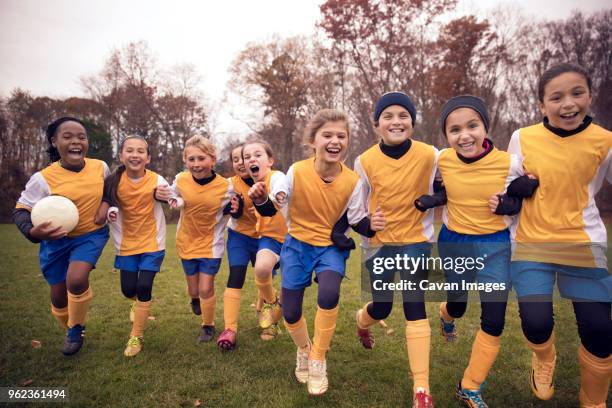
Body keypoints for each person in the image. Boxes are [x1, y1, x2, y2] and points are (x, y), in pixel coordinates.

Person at [250, 109, 383, 396]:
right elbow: (274, 203)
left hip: (330, 248)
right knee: (292, 311)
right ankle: (304, 349)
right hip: (297, 246)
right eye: (327, 135)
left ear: (347, 141)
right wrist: (261, 200)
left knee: (329, 294)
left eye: (341, 135)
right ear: (313, 140)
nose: (335, 141)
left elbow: (358, 218)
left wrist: (373, 226)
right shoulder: (296, 171)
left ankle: (319, 357)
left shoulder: (353, 181)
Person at [506, 63, 611, 407]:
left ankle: (593, 403)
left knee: (599, 331)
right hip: (531, 242)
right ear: (542, 105)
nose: (568, 104)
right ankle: (544, 358)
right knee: (536, 324)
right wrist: (516, 190)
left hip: (582, 242)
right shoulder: (523, 137)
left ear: (589, 95)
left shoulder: (605, 141)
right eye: (557, 97)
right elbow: (506, 189)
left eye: (577, 93)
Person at [416, 95, 529, 407]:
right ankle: (446, 314)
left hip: (495, 245)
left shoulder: (510, 162)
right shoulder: (442, 160)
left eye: (472, 126)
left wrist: (507, 204)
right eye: (454, 130)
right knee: (459, 303)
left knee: (493, 319)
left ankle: (470, 385)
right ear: (446, 135)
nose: (464, 135)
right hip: (455, 243)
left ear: (485, 127)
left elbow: (527, 192)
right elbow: (438, 189)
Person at [352, 92, 438, 408]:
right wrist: (367, 223)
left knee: (415, 305)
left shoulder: (432, 155)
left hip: (417, 240)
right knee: (383, 306)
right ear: (377, 124)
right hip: (380, 245)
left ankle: (422, 388)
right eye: (387, 116)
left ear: (412, 122)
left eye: (403, 115)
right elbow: (355, 211)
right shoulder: (364, 161)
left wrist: (435, 199)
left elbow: (451, 184)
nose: (396, 121)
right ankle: (362, 321)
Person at [13, 116, 110, 356]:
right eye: (68, 137)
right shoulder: (43, 178)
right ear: (54, 142)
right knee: (58, 297)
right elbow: (21, 209)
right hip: (55, 242)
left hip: (91, 234)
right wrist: (33, 232)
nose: (76, 141)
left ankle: (75, 330)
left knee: (75, 280)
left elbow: (111, 191)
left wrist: (106, 204)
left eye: (81, 136)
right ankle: (72, 325)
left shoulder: (100, 167)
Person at [156, 135, 240, 343]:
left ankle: (208, 325)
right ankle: (194, 299)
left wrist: (237, 209)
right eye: (191, 159)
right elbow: (169, 194)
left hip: (212, 244)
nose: (196, 164)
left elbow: (239, 206)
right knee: (194, 290)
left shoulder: (226, 186)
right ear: (185, 161)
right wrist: (163, 195)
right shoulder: (181, 179)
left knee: (205, 288)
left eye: (201, 158)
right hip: (186, 241)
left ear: (212, 159)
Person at [102, 135, 169, 357]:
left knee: (144, 287)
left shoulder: (158, 179)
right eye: (129, 150)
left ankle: (136, 336)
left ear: (148, 158)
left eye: (141, 151)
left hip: (153, 243)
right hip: (126, 244)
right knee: (128, 290)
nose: (135, 155)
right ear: (121, 155)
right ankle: (138, 304)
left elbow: (173, 198)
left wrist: (164, 197)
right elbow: (106, 205)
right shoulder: (112, 181)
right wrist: (109, 212)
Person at [216, 143, 268, 350]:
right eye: (235, 159)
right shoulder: (230, 184)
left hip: (265, 237)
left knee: (263, 279)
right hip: (239, 236)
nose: (240, 163)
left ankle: (268, 319)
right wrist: (232, 209)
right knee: (235, 276)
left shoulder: (270, 179)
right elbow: (223, 207)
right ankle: (230, 328)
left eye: (243, 158)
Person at [241, 139, 286, 336]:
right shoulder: (253, 185)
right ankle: (271, 302)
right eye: (247, 157)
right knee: (261, 269)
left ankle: (273, 325)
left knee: (289, 289)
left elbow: (279, 187)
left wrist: (278, 194)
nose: (252, 159)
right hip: (270, 237)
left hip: (296, 239)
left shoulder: (277, 177)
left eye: (258, 155)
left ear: (270, 161)